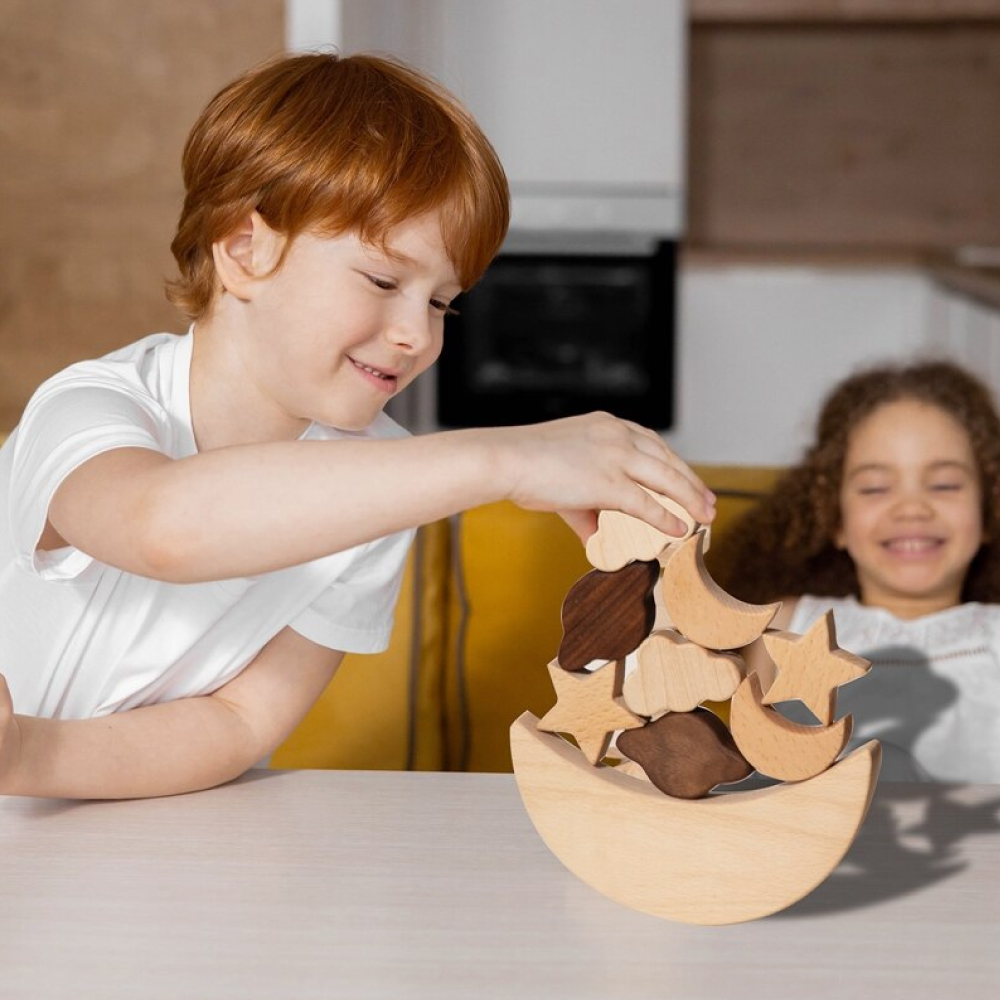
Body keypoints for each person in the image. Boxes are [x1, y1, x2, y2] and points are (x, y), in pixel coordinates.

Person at [0, 53, 715, 800]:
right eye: (383, 280)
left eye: (442, 302)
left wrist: (24, 759)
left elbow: (241, 721)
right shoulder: (89, 405)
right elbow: (161, 528)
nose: (419, 336)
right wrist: (509, 456)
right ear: (245, 252)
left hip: (135, 835)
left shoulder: (382, 481)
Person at [716, 360, 1000, 783]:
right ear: (833, 516)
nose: (912, 508)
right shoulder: (784, 627)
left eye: (944, 485)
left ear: (988, 507)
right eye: (875, 488)